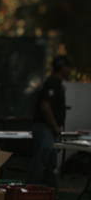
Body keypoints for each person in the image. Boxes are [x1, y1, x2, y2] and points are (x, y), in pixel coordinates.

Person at [28, 54, 70, 187]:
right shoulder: (52, 83)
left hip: (50, 128)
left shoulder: (58, 84)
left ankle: (49, 191)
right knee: (43, 158)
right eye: (67, 67)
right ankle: (34, 188)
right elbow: (45, 106)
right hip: (45, 127)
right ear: (61, 68)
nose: (69, 70)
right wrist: (55, 126)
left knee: (50, 160)